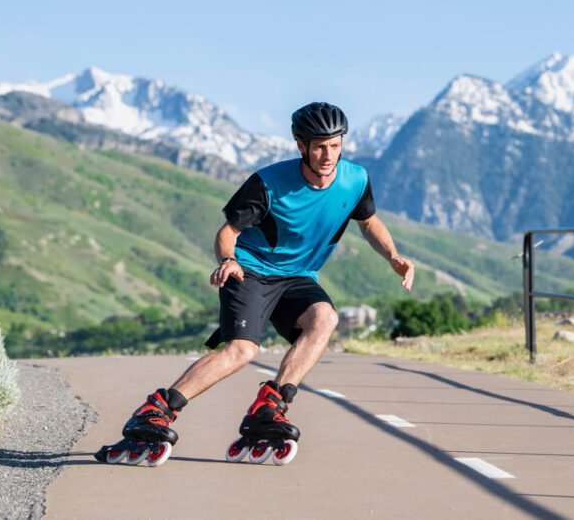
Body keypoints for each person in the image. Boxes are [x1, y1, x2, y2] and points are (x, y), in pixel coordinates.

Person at [96, 102, 414, 465]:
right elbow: (227, 233)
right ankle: (158, 410)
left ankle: (271, 406)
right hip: (250, 270)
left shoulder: (355, 179)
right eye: (320, 146)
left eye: (335, 145)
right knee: (242, 351)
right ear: (301, 145)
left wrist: (393, 256)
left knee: (325, 319)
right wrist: (228, 261)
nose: (329, 155)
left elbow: (369, 222)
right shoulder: (269, 183)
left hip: (298, 277)